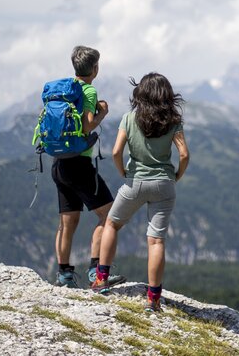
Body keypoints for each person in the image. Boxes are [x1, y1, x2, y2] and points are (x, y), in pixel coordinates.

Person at [91, 72, 190, 312]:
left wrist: (123, 172)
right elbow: (184, 154)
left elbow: (116, 151)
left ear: (140, 93)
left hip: (134, 182)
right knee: (156, 240)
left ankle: (101, 280)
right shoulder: (173, 121)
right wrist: (176, 175)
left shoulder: (129, 117)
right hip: (164, 184)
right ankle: (153, 299)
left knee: (112, 224)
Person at [51, 45, 126, 288]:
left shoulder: (62, 90)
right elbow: (86, 126)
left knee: (67, 222)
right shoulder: (88, 91)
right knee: (109, 214)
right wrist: (102, 112)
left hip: (59, 164)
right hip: (79, 165)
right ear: (95, 68)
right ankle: (97, 273)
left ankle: (64, 276)